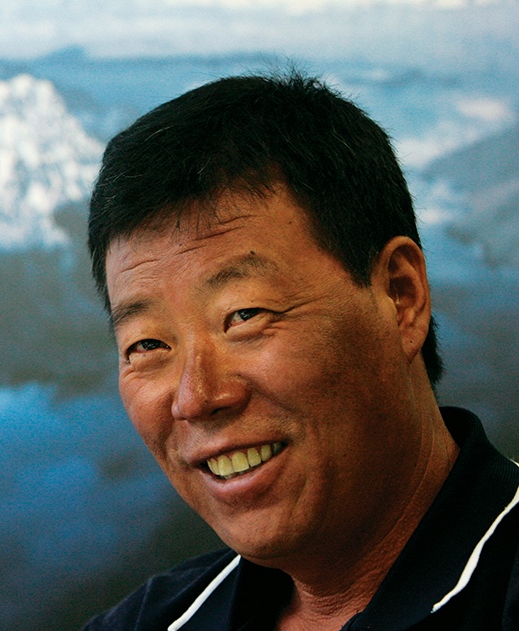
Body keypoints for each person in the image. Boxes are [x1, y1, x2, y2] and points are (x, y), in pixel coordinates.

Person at [82, 71, 519, 630]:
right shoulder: (153, 621)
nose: (195, 398)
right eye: (147, 344)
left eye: (244, 315)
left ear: (400, 296)